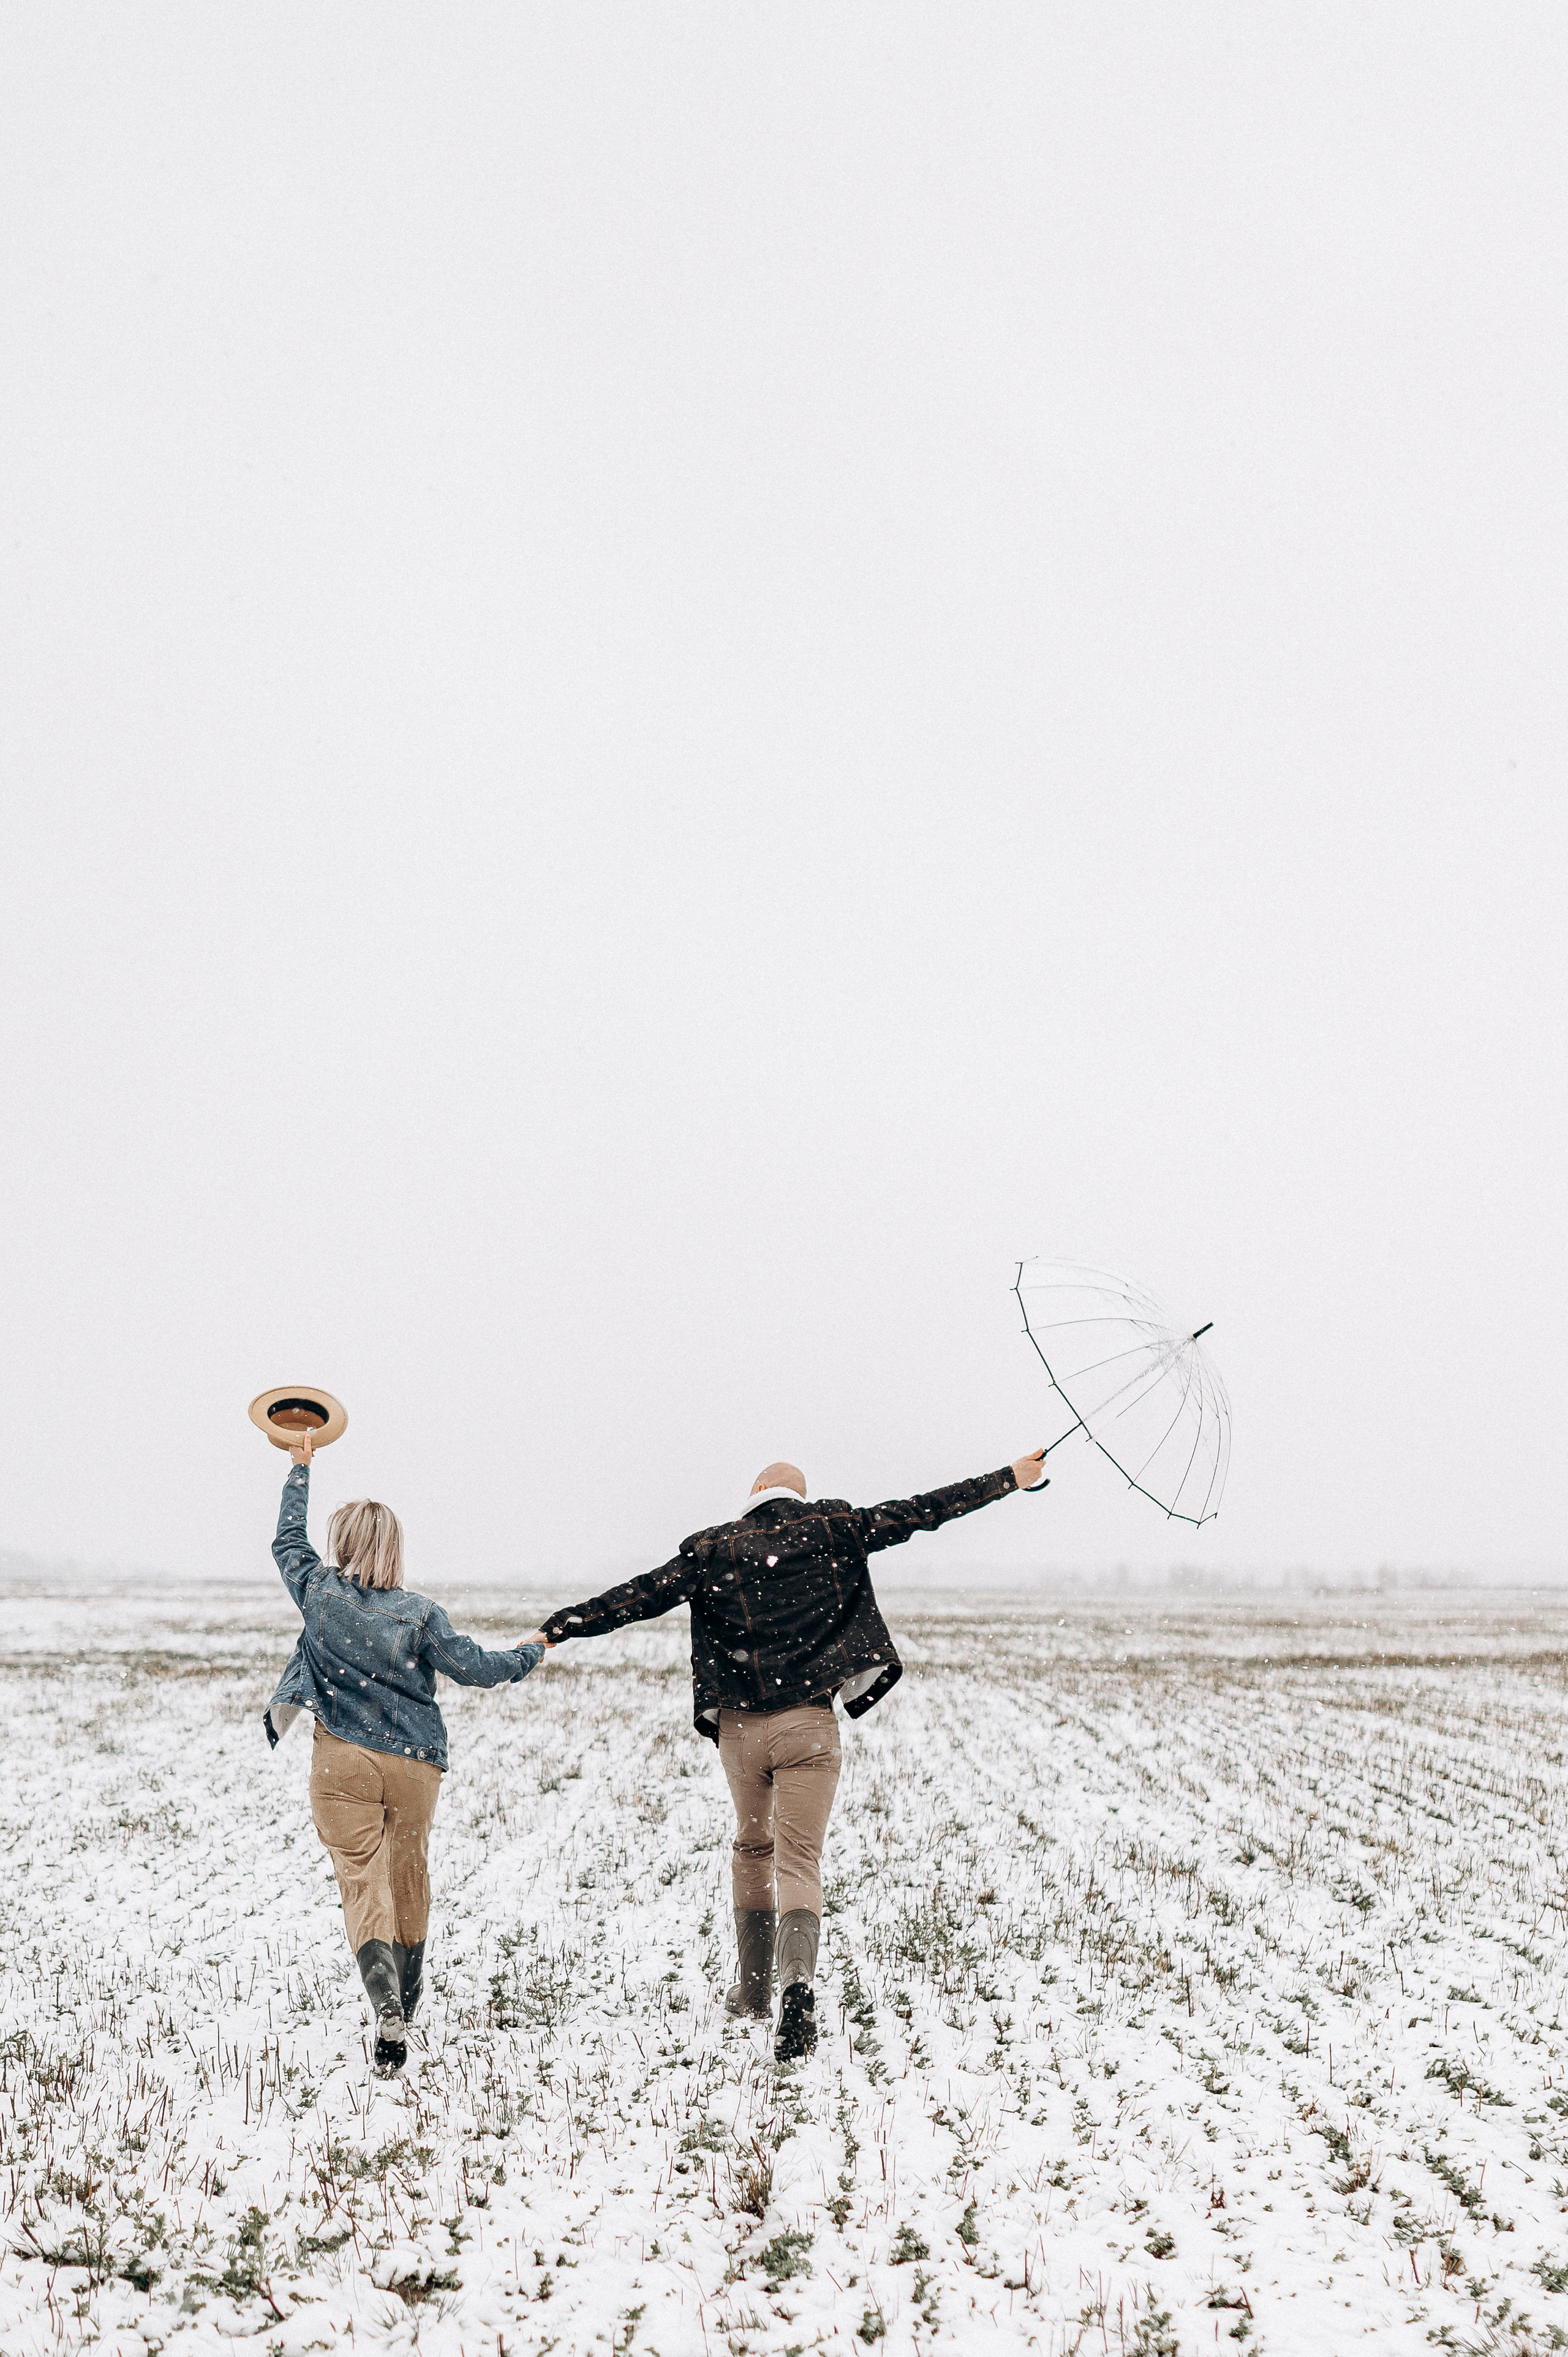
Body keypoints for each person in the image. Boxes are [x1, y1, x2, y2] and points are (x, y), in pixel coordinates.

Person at [538, 1446, 1047, 2060]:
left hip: (741, 1729)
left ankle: (753, 1991)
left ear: (754, 1491)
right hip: (808, 1724)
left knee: (752, 1847)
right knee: (799, 1861)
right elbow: (925, 1510)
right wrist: (1009, 1479)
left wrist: (558, 1626)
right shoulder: (835, 1529)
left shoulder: (712, 1549)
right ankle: (797, 1984)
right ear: (800, 1498)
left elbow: (637, 1597)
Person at [265, 1429, 549, 2076]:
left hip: (342, 1759)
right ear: (394, 1549)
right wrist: (533, 1649)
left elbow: (285, 1540)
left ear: (343, 1546)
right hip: (414, 1762)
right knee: (408, 1873)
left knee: (362, 1882)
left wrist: (300, 1467)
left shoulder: (317, 1592)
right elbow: (478, 1667)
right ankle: (410, 1996)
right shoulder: (420, 1615)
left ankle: (384, 2001)